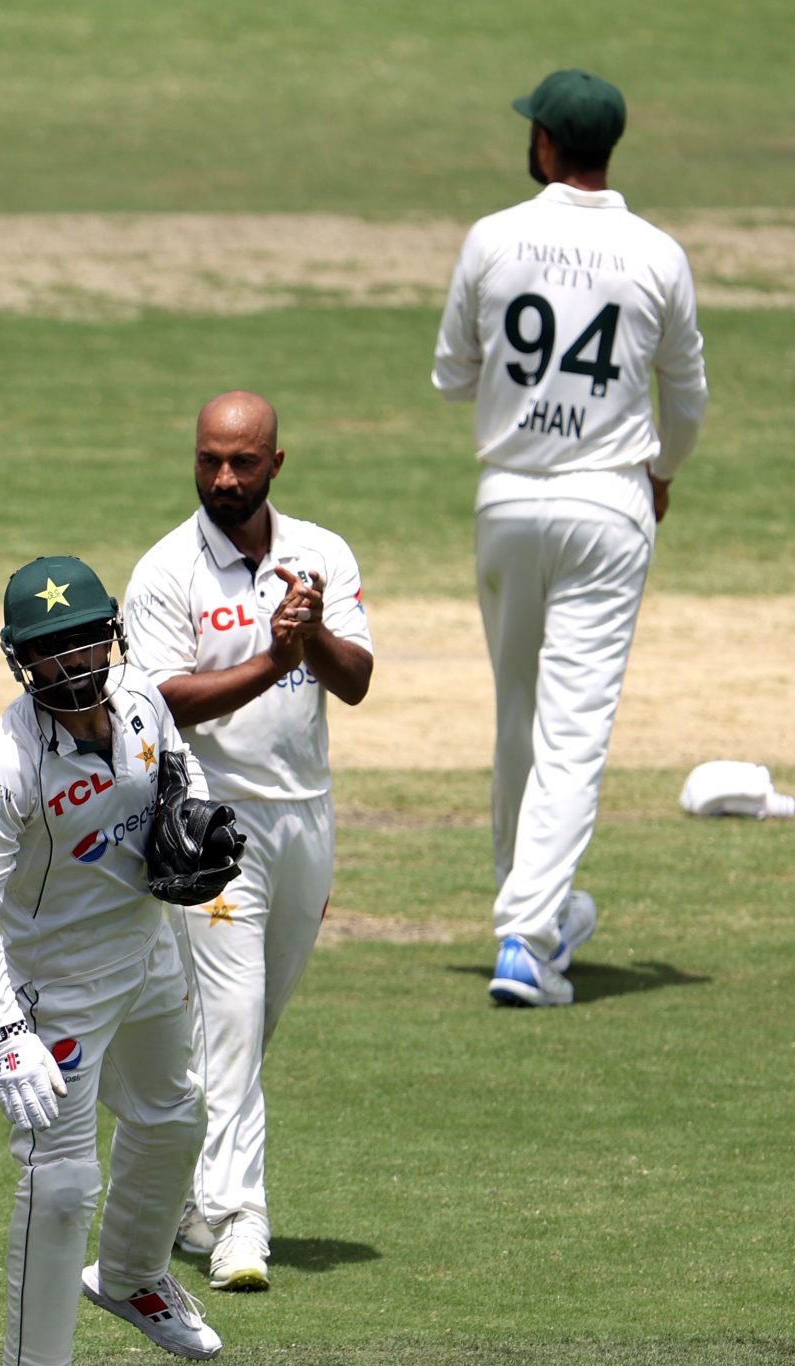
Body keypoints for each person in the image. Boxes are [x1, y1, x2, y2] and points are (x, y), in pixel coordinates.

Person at [432, 68, 706, 1007]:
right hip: (608, 504)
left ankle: (532, 912)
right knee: (573, 730)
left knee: (518, 715)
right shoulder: (657, 253)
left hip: (507, 500)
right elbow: (690, 395)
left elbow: (452, 374)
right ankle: (529, 932)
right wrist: (660, 471)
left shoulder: (491, 237)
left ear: (546, 144)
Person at [0, 557, 225, 1366]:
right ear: (19, 659)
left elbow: (175, 774)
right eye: (48, 648)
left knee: (176, 1117)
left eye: (81, 638)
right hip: (56, 980)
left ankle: (138, 1273)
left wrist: (199, 824)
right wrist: (8, 1029)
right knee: (61, 1182)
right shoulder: (7, 764)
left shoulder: (144, 696)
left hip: (146, 946)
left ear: (109, 633)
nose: (71, 662)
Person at [121, 393, 373, 1290]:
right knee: (229, 1021)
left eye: (242, 462)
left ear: (276, 462)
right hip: (211, 821)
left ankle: (185, 1193)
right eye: (208, 461)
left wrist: (314, 637)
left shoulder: (323, 554)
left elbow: (357, 681)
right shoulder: (165, 569)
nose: (224, 479)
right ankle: (238, 1221)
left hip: (306, 814)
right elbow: (160, 701)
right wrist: (272, 658)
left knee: (245, 1028)